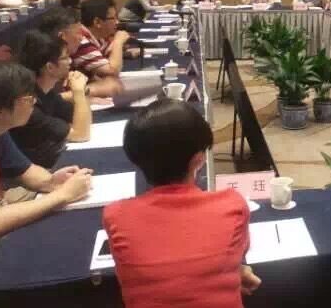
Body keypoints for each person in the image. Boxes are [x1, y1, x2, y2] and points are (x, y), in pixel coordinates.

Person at [103, 100, 260, 308]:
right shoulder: (232, 205)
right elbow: (235, 254)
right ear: (198, 159)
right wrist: (235, 270)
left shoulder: (115, 215)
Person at [0, 61, 92, 242]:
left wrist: (53, 182)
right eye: (27, 98)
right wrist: (63, 195)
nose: (34, 101)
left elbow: (28, 172)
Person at [12, 31, 92, 168]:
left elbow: (82, 121)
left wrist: (82, 95)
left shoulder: (47, 92)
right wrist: (78, 92)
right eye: (65, 58)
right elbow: (81, 134)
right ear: (49, 67)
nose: (70, 61)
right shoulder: (28, 105)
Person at [39, 8, 122, 99]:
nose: (81, 38)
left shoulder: (67, 57)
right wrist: (87, 92)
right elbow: (44, 100)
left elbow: (108, 83)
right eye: (78, 33)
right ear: (62, 36)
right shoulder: (45, 62)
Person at [72, 0, 132, 79]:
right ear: (97, 22)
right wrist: (118, 42)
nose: (117, 22)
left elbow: (108, 54)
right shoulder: (80, 40)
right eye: (113, 18)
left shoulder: (100, 37)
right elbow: (112, 72)